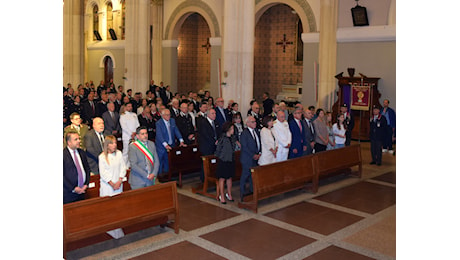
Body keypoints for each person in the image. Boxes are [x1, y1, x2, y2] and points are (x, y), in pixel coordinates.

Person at [98, 135, 126, 239]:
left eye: (115, 143)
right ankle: (110, 229)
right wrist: (112, 183)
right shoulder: (102, 157)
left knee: (118, 208)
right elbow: (103, 173)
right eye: (112, 143)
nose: (115, 145)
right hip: (108, 187)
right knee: (108, 209)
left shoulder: (119, 153)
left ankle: (117, 227)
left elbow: (123, 167)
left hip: (118, 185)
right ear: (107, 145)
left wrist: (119, 180)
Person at [155, 109, 186, 174]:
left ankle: (168, 176)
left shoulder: (172, 121)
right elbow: (159, 135)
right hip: (161, 146)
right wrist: (165, 145)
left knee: (168, 161)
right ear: (162, 115)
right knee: (160, 161)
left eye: (169, 114)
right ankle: (159, 176)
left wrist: (181, 140)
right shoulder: (159, 123)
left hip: (171, 144)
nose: (169, 116)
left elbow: (176, 131)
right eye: (167, 115)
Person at [63, 131, 91, 204]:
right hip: (69, 194)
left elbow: (87, 169)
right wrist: (74, 188)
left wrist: (86, 184)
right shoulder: (63, 155)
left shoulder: (81, 152)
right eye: (76, 139)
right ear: (69, 142)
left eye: (79, 139)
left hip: (83, 192)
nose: (79, 141)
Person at [214, 121, 237, 204]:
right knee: (222, 178)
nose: (233, 130)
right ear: (228, 129)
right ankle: (222, 196)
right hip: (223, 160)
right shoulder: (222, 138)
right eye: (231, 129)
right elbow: (218, 150)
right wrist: (222, 157)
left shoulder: (232, 138)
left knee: (229, 177)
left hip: (231, 159)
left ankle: (229, 194)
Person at [239, 116, 261, 202]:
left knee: (253, 176)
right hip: (247, 158)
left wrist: (259, 153)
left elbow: (259, 143)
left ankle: (252, 191)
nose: (255, 123)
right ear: (247, 123)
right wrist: (253, 155)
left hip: (255, 157)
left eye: (255, 121)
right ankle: (242, 192)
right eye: (252, 122)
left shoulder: (256, 131)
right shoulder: (244, 133)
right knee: (245, 175)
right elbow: (245, 147)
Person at [197, 108, 221, 182]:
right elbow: (205, 134)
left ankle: (211, 177)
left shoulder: (216, 122)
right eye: (212, 113)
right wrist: (214, 141)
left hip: (215, 146)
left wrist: (218, 140)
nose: (214, 115)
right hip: (206, 146)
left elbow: (219, 132)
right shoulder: (203, 122)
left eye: (215, 113)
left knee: (213, 162)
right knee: (206, 163)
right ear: (208, 114)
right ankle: (204, 179)